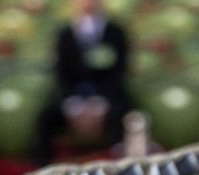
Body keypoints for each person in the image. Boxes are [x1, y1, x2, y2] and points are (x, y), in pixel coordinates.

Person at [33, 0, 131, 165]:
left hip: (107, 97)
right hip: (74, 97)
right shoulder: (65, 34)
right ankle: (43, 171)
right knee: (45, 117)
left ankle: (122, 167)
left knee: (125, 115)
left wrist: (99, 104)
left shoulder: (115, 32)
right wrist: (74, 105)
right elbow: (61, 75)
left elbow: (119, 73)